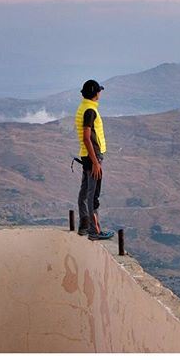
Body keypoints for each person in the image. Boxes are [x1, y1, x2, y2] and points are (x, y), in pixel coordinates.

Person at [75, 79, 114, 240]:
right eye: (99, 91)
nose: (100, 93)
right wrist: (96, 162)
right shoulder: (90, 111)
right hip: (93, 156)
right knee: (93, 194)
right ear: (95, 93)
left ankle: (84, 225)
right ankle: (94, 230)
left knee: (84, 191)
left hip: (86, 155)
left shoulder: (83, 107)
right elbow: (86, 137)